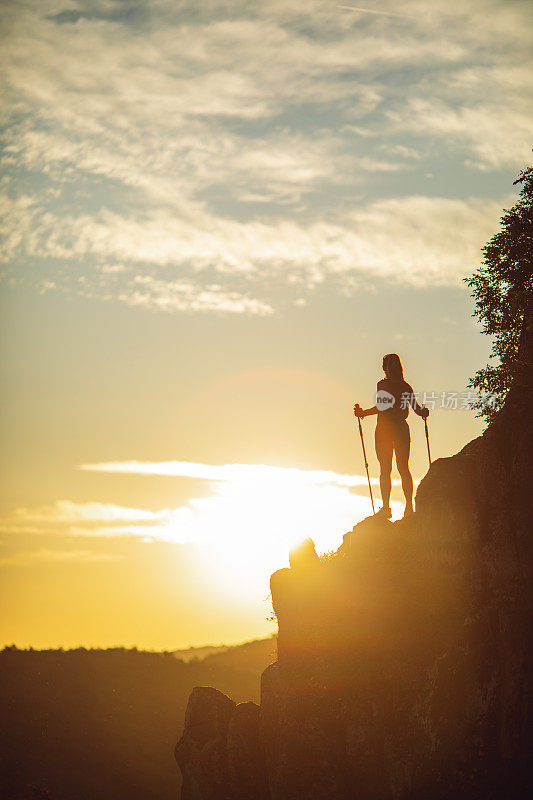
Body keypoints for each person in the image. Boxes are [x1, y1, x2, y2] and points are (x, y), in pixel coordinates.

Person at [354, 353, 429, 519]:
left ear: (384, 368)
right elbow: (416, 409)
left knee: (385, 469)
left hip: (385, 430)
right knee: (403, 468)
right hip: (401, 428)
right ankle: (409, 507)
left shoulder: (383, 384)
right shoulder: (405, 386)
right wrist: (424, 412)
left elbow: (382, 406)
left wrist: (363, 413)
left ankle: (387, 508)